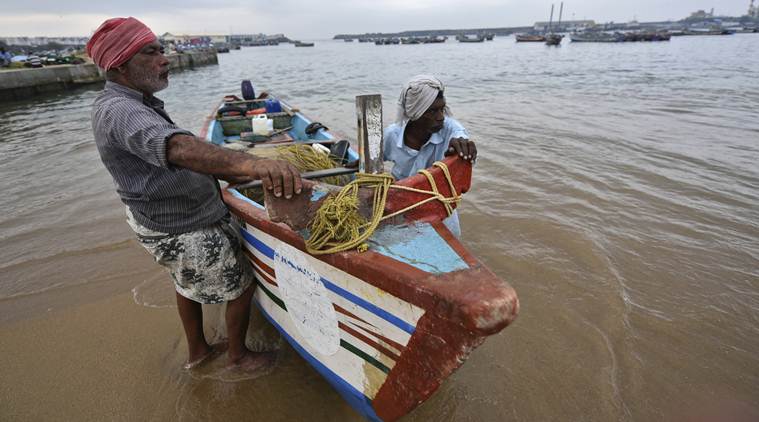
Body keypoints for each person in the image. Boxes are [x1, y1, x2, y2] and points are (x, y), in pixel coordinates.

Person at [88, 17, 302, 372]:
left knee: (185, 281)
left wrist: (233, 170)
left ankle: (199, 351)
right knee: (241, 285)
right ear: (121, 63)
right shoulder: (122, 110)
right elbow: (179, 149)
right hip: (182, 224)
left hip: (161, 217)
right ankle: (238, 355)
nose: (165, 58)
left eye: (163, 49)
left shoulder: (138, 101)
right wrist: (255, 165)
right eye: (151, 52)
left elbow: (185, 156)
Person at [383, 75, 477, 237]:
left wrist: (464, 147)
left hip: (440, 212)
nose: (441, 116)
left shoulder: (449, 129)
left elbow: (460, 136)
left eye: (442, 109)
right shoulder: (392, 135)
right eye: (433, 111)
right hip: (400, 209)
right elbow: (373, 161)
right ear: (415, 113)